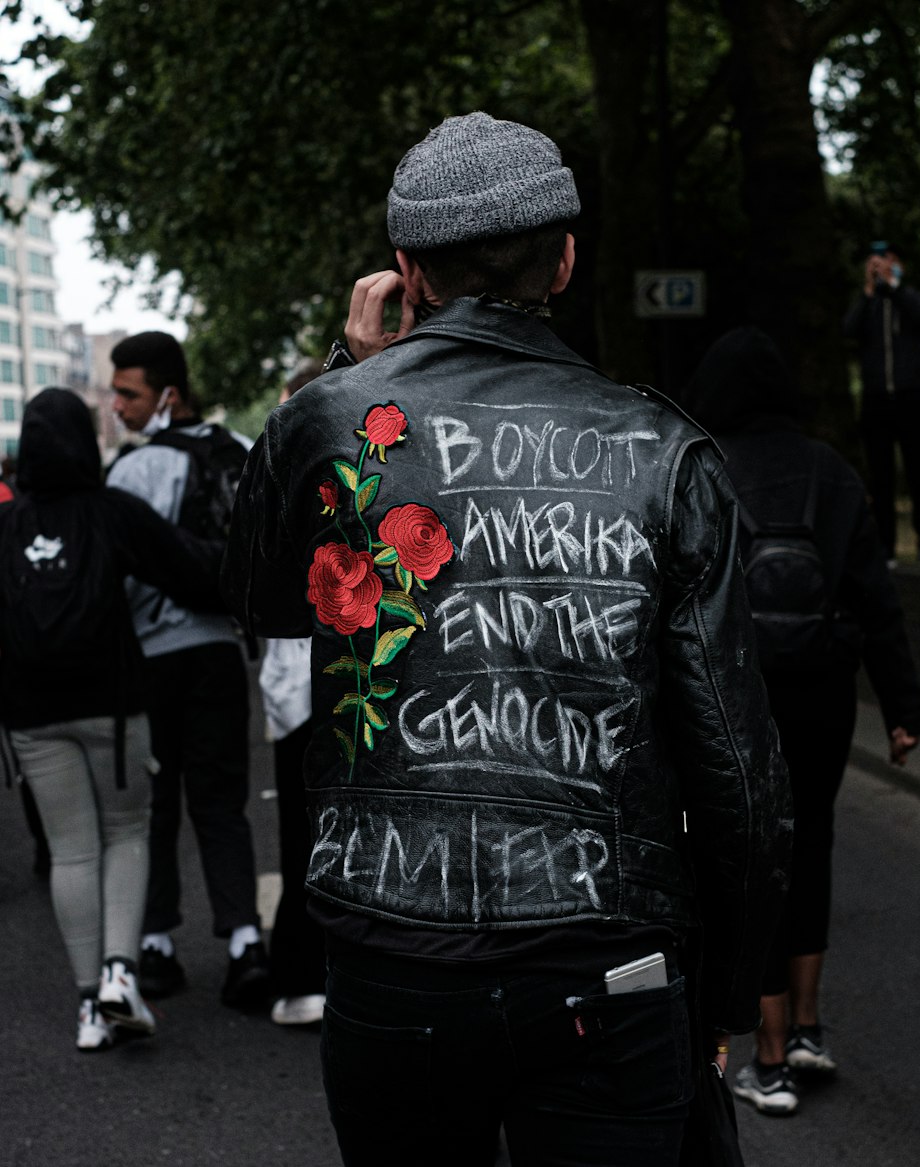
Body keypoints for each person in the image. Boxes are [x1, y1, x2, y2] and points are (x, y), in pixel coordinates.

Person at [222, 112, 791, 1167]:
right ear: (566, 259)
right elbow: (737, 764)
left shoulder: (329, 418)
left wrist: (343, 377)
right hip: (607, 961)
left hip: (391, 950)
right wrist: (717, 992)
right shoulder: (665, 449)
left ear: (405, 271)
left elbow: (255, 593)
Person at [682, 327, 920, 1115]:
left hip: (738, 694)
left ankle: (769, 1053)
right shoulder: (833, 471)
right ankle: (813, 1026)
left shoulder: (703, 466)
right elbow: (877, 602)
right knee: (812, 840)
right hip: (825, 687)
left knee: (750, 854)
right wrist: (903, 709)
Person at [0, 388, 224, 1051]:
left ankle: (87, 1007)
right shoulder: (112, 513)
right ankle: (121, 976)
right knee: (127, 830)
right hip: (115, 708)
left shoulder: (4, 527)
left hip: (31, 716)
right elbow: (188, 572)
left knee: (71, 848)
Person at [105, 331, 268, 1009]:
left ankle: (157, 946)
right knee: (222, 801)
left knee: (157, 805)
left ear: (167, 393)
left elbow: (114, 583)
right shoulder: (239, 453)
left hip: (153, 660)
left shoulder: (132, 473)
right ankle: (244, 943)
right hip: (220, 655)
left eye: (129, 392)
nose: (118, 406)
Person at [258, 358, 327, 1027]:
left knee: (301, 835)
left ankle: (303, 973)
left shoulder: (282, 481)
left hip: (299, 686)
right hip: (363, 680)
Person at [843, 242, 920, 566]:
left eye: (887, 260)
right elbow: (849, 329)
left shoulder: (910, 298)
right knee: (880, 477)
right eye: (876, 261)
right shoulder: (868, 304)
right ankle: (886, 548)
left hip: (911, 396)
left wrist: (894, 285)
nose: (881, 266)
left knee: (918, 473)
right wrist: (868, 290)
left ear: (898, 264)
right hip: (876, 398)